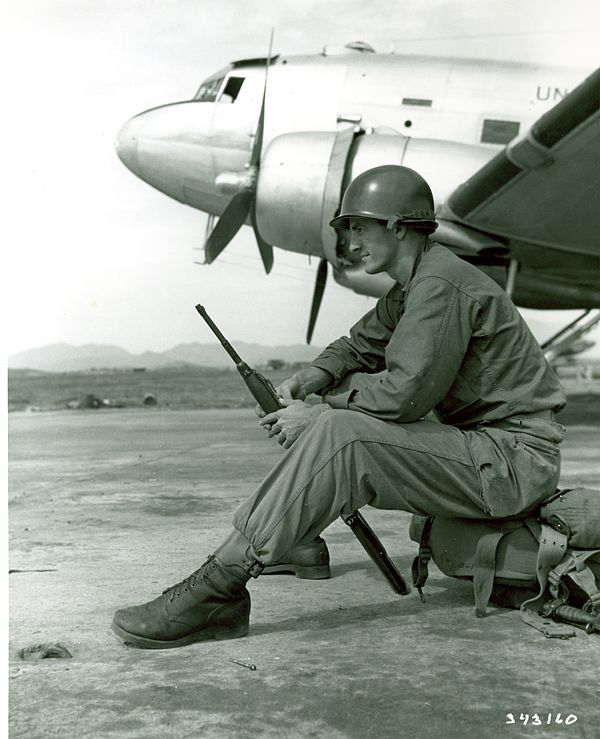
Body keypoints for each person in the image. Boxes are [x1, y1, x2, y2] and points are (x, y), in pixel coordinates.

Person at [112, 165, 566, 649]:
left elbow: (403, 396)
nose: (350, 244)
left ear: (397, 225)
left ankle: (217, 589)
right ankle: (296, 536)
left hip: (513, 461)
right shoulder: (417, 281)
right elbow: (358, 345)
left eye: (360, 228)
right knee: (336, 412)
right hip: (490, 452)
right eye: (347, 230)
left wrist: (319, 413)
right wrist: (311, 379)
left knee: (341, 432)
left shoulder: (440, 285)